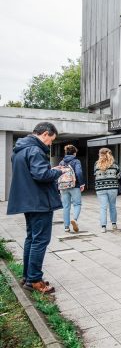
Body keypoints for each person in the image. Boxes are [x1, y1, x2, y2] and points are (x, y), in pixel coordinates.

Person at [7, 122, 68, 294]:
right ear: (45, 134)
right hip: (39, 202)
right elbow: (41, 175)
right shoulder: (35, 150)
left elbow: (31, 174)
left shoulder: (19, 150)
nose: (50, 144)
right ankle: (35, 279)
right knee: (40, 240)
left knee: (31, 239)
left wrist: (51, 169)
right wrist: (57, 172)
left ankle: (27, 277)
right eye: (51, 141)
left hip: (29, 201)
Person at [94, 148, 121, 232]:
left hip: (100, 188)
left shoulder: (96, 164)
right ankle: (114, 224)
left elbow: (95, 175)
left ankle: (103, 227)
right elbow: (119, 175)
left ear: (100, 154)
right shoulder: (114, 164)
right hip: (112, 188)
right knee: (112, 205)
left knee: (103, 207)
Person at [60, 145, 85, 233]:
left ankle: (66, 227)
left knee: (66, 206)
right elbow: (79, 172)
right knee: (77, 204)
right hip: (75, 186)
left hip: (63, 186)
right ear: (74, 153)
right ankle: (74, 219)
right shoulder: (76, 161)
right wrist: (82, 183)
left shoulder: (62, 162)